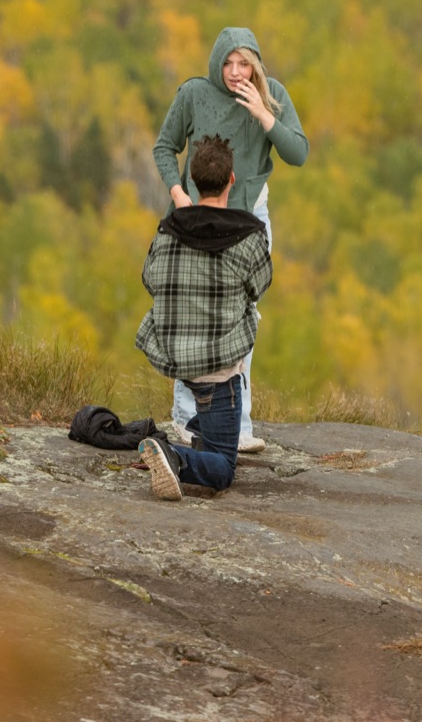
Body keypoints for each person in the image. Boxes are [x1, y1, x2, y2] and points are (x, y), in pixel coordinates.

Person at [153, 27, 307, 453]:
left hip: (247, 219)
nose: (235, 72)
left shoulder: (271, 93)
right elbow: (164, 147)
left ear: (256, 64)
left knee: (244, 316)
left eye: (244, 64)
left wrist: (264, 114)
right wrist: (178, 194)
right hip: (195, 215)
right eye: (228, 63)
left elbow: (298, 153)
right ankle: (186, 419)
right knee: (191, 310)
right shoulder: (195, 94)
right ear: (216, 62)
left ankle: (236, 426)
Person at [134, 135, 273, 500]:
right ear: (231, 180)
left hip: (178, 357)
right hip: (219, 370)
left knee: (209, 422)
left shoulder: (168, 230)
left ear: (192, 181)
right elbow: (260, 285)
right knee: (224, 468)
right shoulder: (249, 234)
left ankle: (190, 438)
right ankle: (173, 456)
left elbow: (150, 279)